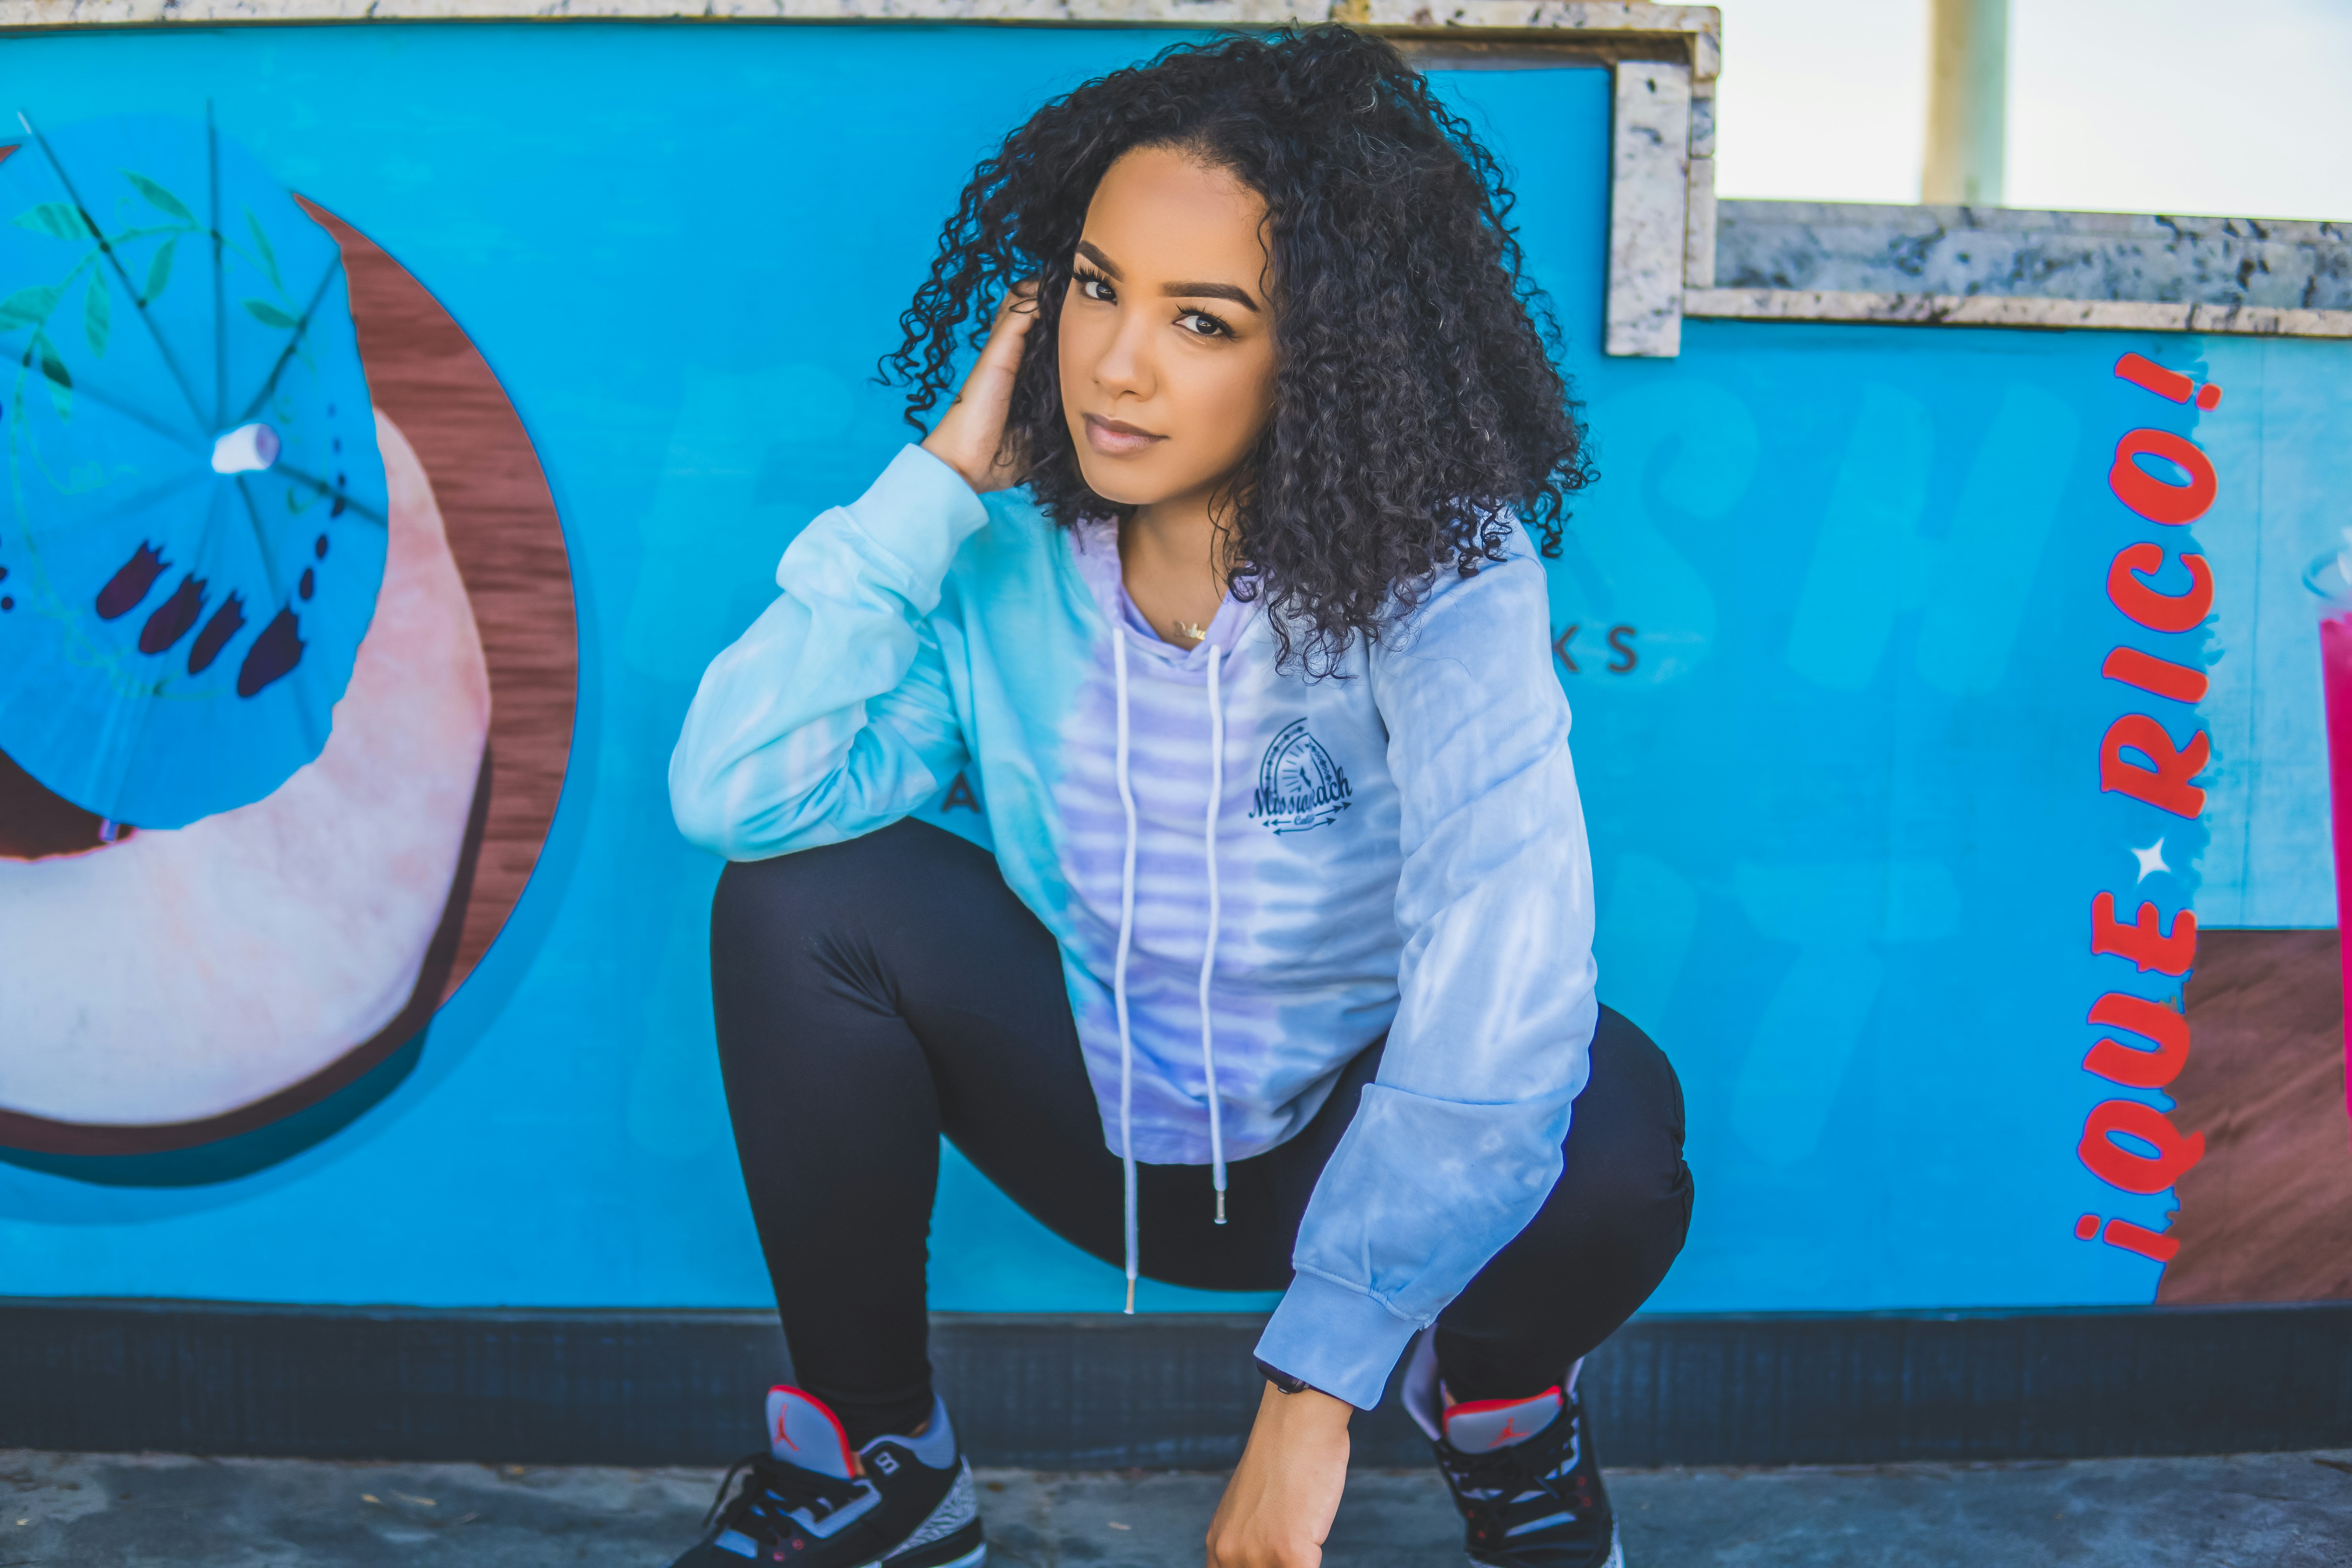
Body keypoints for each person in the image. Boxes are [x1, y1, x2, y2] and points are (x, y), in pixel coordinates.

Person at [663, 26, 1693, 1568]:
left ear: (1325, 357)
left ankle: (1499, 1404)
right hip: (1102, 1119)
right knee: (800, 900)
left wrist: (1314, 1394)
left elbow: (1507, 949)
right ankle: (879, 1461)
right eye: (1094, 288)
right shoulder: (1001, 562)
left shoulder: (1442, 577)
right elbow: (738, 788)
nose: (1118, 364)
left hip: (1348, 1149)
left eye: (1202, 320)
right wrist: (935, 491)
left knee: (1612, 1119)